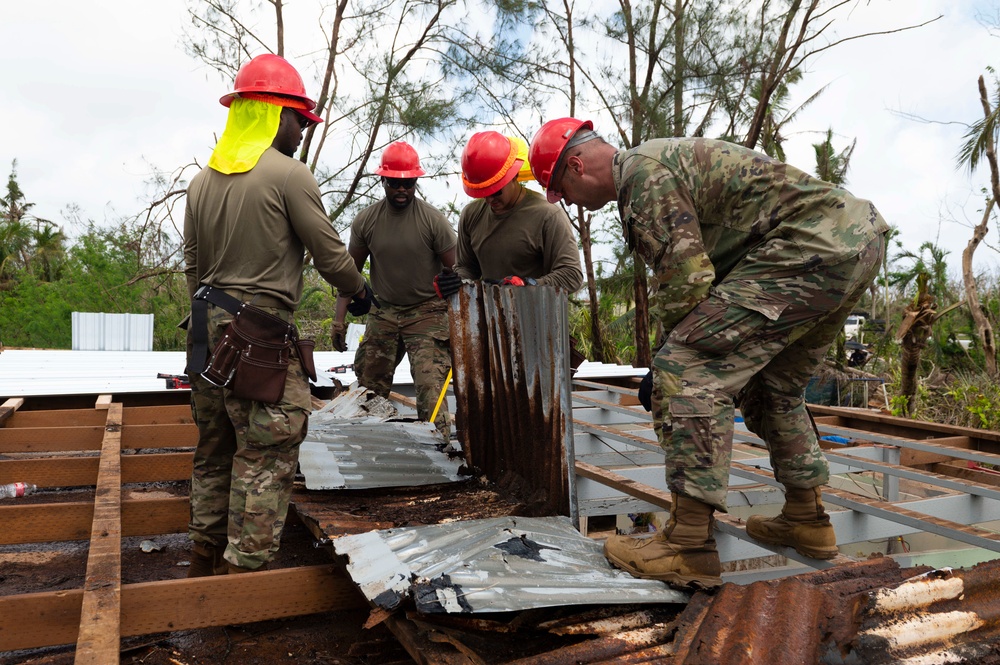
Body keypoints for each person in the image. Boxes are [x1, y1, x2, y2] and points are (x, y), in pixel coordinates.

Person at [529, 118, 890, 590]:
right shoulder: (654, 165)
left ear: (576, 166)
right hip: (853, 240)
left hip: (812, 246)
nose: (572, 204)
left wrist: (666, 361)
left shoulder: (642, 176)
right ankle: (807, 517)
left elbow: (686, 280)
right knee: (772, 386)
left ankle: (688, 543)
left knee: (688, 368)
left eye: (564, 191)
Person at [183, 54, 375, 575]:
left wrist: (206, 327)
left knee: (216, 444)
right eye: (299, 121)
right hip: (258, 336)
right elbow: (331, 254)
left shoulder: (201, 183)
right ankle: (245, 571)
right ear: (274, 114)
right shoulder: (289, 175)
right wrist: (359, 293)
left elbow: (193, 267)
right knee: (266, 450)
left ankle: (205, 547)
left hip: (205, 330)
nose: (302, 133)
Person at [333, 141, 457, 436]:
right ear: (383, 180)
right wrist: (339, 320)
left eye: (409, 183)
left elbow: (460, 270)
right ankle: (367, 444)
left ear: (416, 182)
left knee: (431, 386)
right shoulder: (367, 220)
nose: (402, 190)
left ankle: (440, 450)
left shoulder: (433, 220)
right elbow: (349, 273)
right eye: (395, 183)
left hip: (427, 313)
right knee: (368, 386)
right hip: (384, 310)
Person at [433, 131, 583, 298]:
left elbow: (572, 275)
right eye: (483, 192)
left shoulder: (548, 215)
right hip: (492, 317)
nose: (490, 199)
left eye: (496, 191)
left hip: (539, 317)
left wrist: (528, 285)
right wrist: (456, 282)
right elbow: (467, 268)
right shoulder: (471, 215)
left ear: (514, 175)